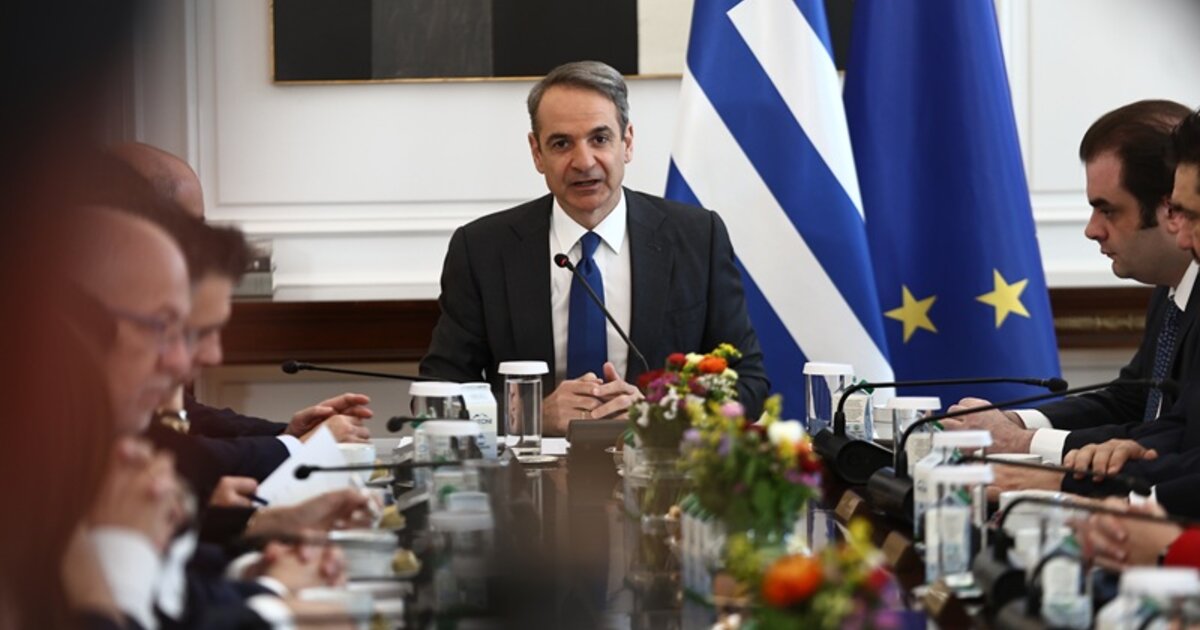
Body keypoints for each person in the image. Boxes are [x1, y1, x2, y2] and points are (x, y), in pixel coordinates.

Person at [420, 60, 768, 434]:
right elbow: (437, 393)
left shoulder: (698, 238)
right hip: (529, 468)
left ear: (627, 142)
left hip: (659, 466)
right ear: (537, 153)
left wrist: (658, 415)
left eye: (599, 139)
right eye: (561, 144)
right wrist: (531, 415)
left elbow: (749, 384)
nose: (584, 162)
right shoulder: (482, 249)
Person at [942, 100, 1196, 465]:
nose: (1092, 230)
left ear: (1169, 209)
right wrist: (1015, 422)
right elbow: (1132, 400)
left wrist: (1023, 442)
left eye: (1108, 210)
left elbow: (1181, 440)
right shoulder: (1171, 288)